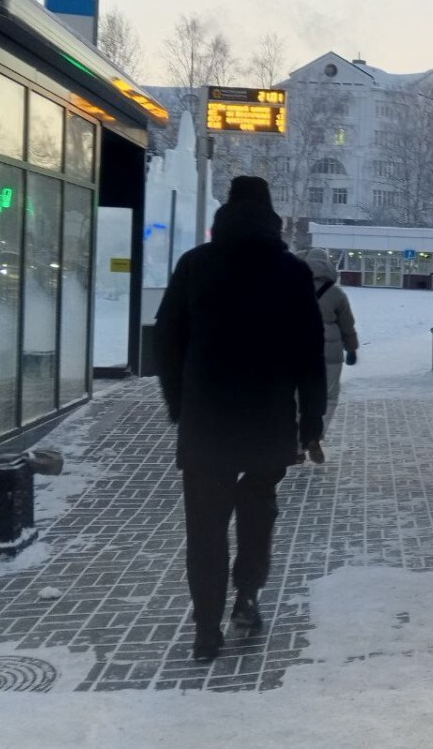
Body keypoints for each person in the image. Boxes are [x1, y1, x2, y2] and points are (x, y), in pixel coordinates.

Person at [154, 176, 326, 663]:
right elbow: (309, 353)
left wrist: (179, 404)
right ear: (271, 217)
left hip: (206, 422)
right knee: (258, 512)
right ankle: (247, 597)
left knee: (205, 528)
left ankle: (206, 630)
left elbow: (165, 338)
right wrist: (310, 422)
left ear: (224, 214)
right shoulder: (292, 273)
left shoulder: (196, 265)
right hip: (267, 421)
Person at [296, 247, 359, 461]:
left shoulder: (292, 288)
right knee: (329, 396)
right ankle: (315, 436)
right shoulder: (336, 293)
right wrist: (351, 349)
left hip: (300, 348)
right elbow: (347, 325)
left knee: (297, 397)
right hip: (329, 351)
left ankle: (297, 444)